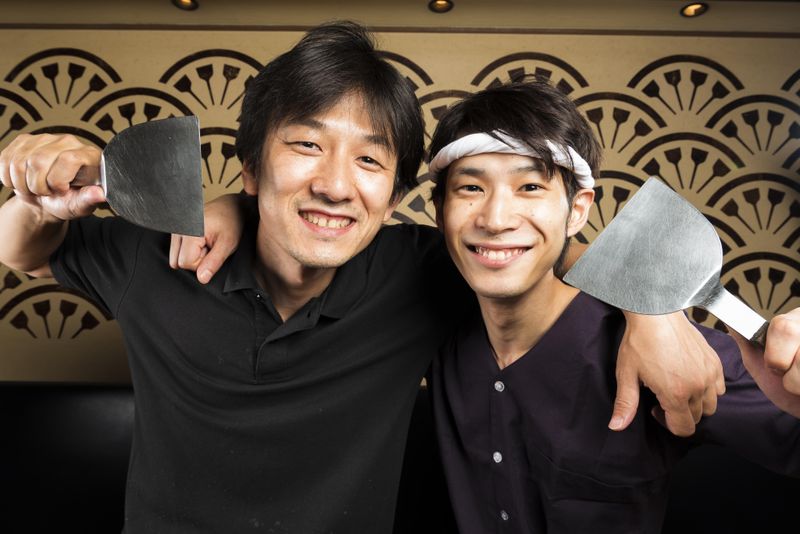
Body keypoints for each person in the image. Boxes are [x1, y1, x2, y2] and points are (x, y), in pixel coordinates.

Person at [0, 22, 726, 533]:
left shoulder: (420, 271)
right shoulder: (162, 253)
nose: (336, 184)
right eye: (306, 146)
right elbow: (23, 252)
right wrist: (34, 195)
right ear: (250, 167)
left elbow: (530, 247)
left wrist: (653, 311)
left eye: (370, 160)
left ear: (397, 195)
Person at [423, 78, 799, 533]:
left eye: (530, 187)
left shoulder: (664, 350)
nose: (496, 219)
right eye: (470, 188)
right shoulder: (425, 310)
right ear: (439, 210)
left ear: (578, 210)